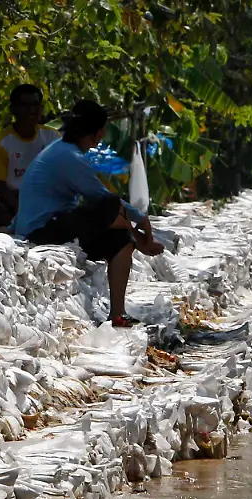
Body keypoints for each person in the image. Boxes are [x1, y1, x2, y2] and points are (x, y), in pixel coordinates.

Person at [13, 100, 163, 328]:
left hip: (55, 224)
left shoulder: (63, 151)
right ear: (98, 133)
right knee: (111, 205)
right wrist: (142, 221)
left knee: (121, 241)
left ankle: (117, 313)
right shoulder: (68, 157)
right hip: (42, 230)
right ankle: (142, 241)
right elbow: (102, 198)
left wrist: (136, 229)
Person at [0, 85, 60, 229]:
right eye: (25, 105)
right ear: (13, 109)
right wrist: (25, 211)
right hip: (11, 203)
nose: (31, 110)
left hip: (43, 200)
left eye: (35, 105)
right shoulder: (2, 142)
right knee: (0, 215)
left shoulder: (53, 137)